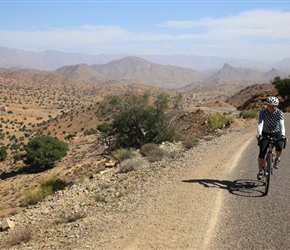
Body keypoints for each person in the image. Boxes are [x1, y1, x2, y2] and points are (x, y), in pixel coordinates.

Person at [256, 96, 286, 180]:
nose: (272, 108)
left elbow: (281, 125)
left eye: (274, 106)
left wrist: (283, 135)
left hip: (276, 132)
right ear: (267, 105)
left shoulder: (279, 113)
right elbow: (260, 124)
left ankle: (277, 158)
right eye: (270, 106)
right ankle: (260, 170)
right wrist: (259, 134)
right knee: (262, 152)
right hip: (265, 132)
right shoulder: (262, 112)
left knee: (279, 147)